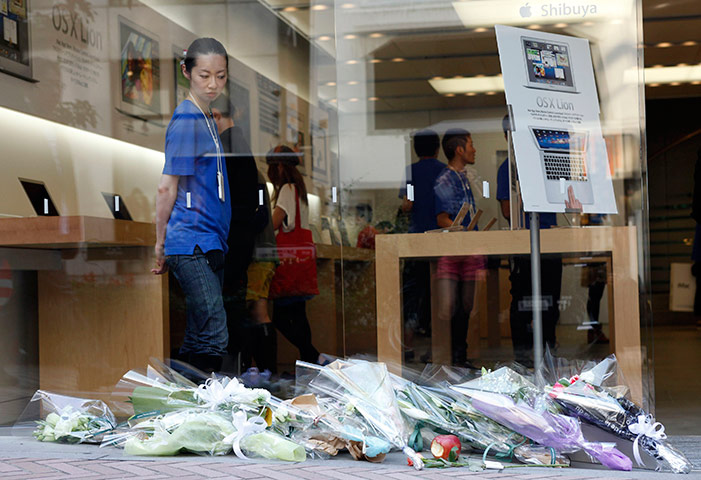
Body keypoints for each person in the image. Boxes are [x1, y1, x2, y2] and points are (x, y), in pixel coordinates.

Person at [152, 38, 231, 374]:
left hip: (207, 239)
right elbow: (167, 185)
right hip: (190, 240)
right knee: (213, 333)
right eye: (204, 75)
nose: (213, 84)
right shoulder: (187, 119)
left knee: (200, 335)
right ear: (186, 72)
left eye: (221, 75)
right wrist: (160, 245)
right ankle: (198, 410)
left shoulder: (206, 118)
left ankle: (180, 407)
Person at [496, 114, 563, 366]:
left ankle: (548, 353)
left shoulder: (543, 163)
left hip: (551, 241)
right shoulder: (508, 168)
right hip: (523, 243)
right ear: (508, 137)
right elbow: (506, 210)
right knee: (523, 302)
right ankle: (523, 359)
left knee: (551, 301)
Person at [210, 95, 260, 363]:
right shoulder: (240, 144)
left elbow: (223, 199)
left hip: (232, 237)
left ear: (217, 115)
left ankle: (234, 367)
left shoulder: (226, 147)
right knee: (235, 304)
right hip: (242, 237)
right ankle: (243, 366)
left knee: (229, 306)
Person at [433, 128, 486, 367]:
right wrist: (460, 230)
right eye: (471, 144)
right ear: (459, 149)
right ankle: (452, 357)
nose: (474, 149)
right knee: (449, 308)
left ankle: (460, 356)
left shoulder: (467, 177)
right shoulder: (445, 179)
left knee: (467, 306)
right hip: (453, 250)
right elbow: (441, 218)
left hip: (470, 248)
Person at [266, 145, 322, 365]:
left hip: (290, 260)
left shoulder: (287, 189)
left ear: (279, 166)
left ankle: (314, 355)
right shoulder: (299, 188)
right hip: (302, 259)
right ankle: (311, 361)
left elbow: (276, 222)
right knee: (299, 315)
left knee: (280, 318)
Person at [401, 129, 446, 344]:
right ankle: (437, 343)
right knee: (437, 293)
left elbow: (407, 205)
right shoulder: (445, 171)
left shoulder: (411, 171)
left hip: (415, 241)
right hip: (440, 239)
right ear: (437, 149)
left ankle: (408, 341)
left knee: (413, 293)